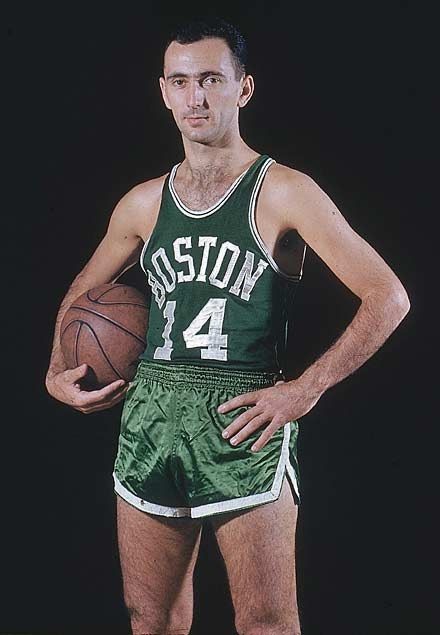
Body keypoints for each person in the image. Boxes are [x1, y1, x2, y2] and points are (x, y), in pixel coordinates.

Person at [45, 17, 410, 635]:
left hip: (242, 415)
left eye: (211, 79)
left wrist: (304, 390)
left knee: (266, 622)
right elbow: (83, 291)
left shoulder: (285, 191)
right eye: (181, 81)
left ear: (243, 88)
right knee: (150, 619)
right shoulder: (143, 203)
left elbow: (388, 296)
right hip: (152, 413)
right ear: (163, 92)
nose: (196, 96)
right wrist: (56, 368)